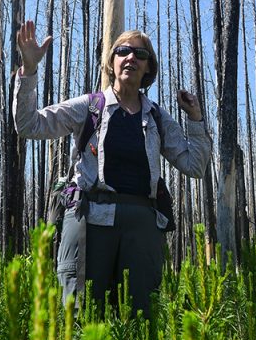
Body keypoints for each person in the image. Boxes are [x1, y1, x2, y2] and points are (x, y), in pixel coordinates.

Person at [14, 21, 210, 317]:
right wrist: (29, 71)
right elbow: (30, 125)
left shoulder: (157, 116)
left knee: (141, 321)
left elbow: (194, 166)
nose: (131, 57)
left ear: (148, 68)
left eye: (140, 55)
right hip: (89, 222)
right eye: (123, 51)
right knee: (80, 317)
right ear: (111, 61)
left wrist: (195, 119)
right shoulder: (90, 106)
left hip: (143, 228)